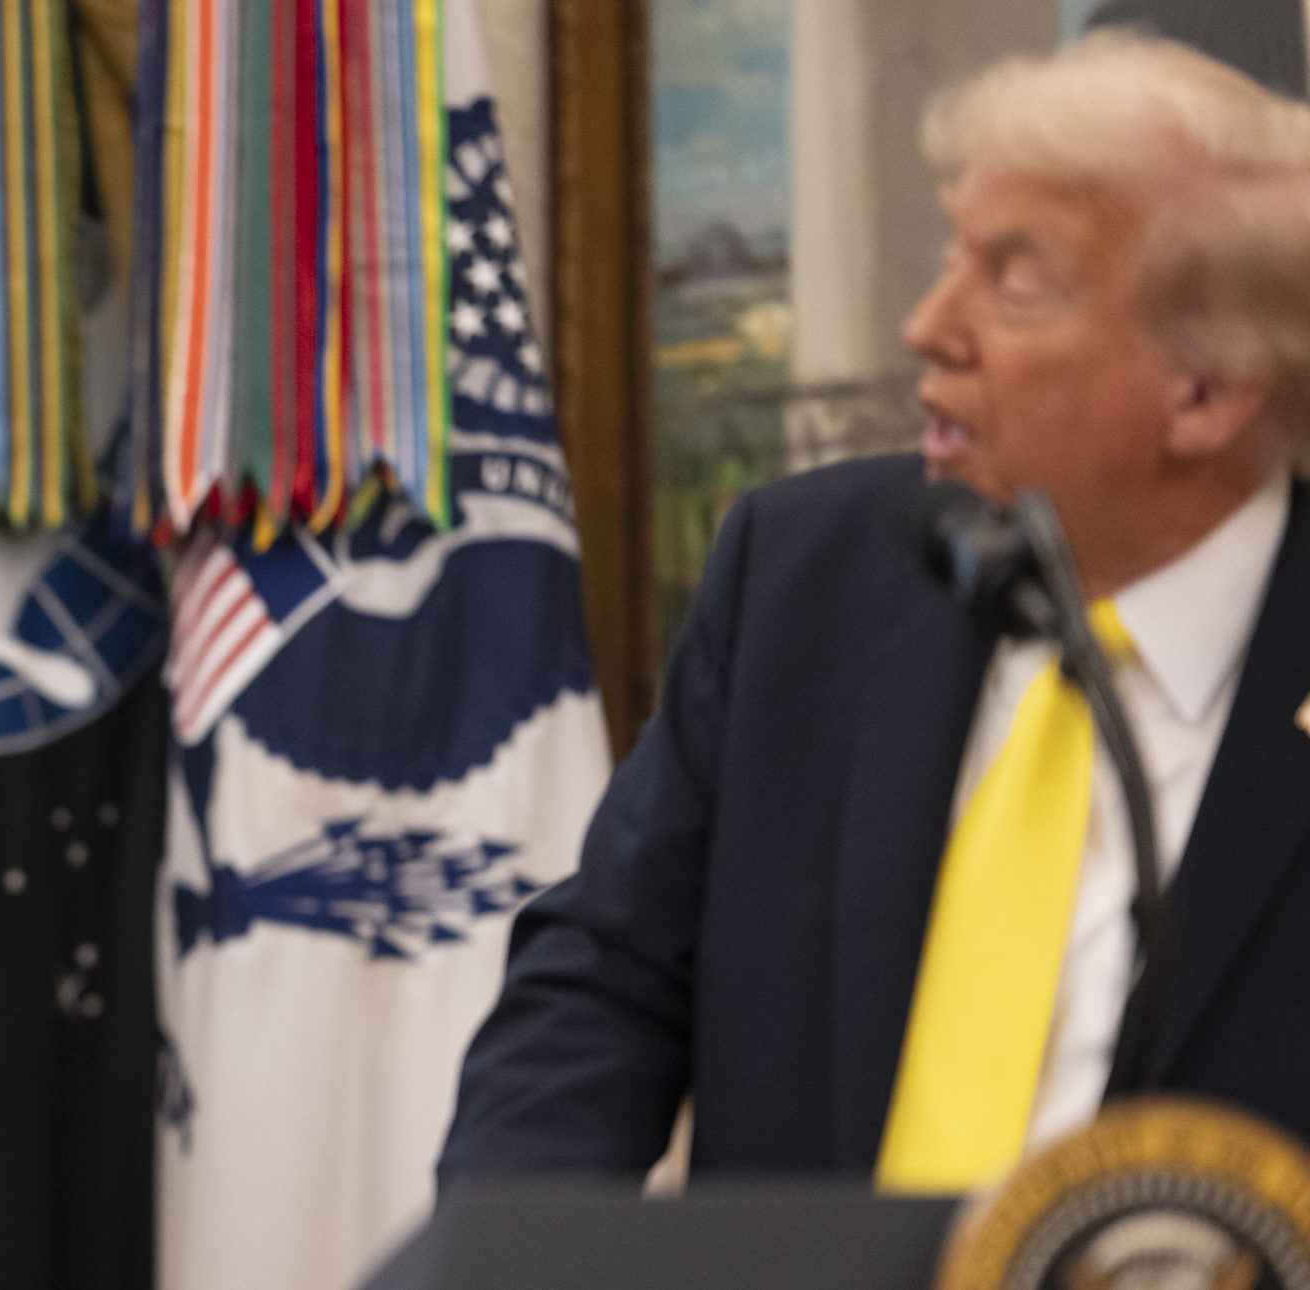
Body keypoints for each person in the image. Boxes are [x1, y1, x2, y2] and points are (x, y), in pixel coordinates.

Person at [443, 31, 1310, 1190]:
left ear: (1205, 391)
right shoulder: (803, 575)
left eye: (1015, 282)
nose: (931, 325)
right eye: (955, 252)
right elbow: (604, 978)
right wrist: (520, 1252)